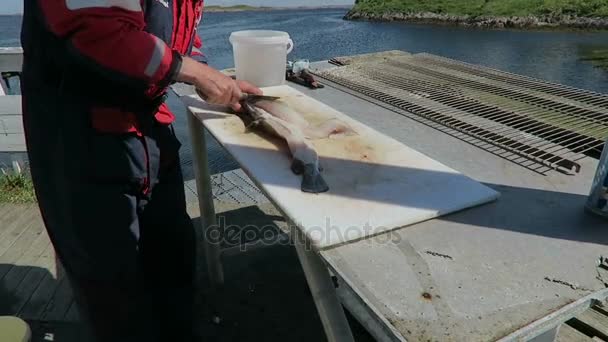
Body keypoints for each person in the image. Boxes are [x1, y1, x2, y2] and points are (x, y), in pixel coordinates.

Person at [20, 0, 261, 341]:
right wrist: (195, 73)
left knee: (173, 255)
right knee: (113, 289)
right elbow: (98, 31)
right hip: (81, 140)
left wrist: (212, 76)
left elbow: (179, 35)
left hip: (147, 132)